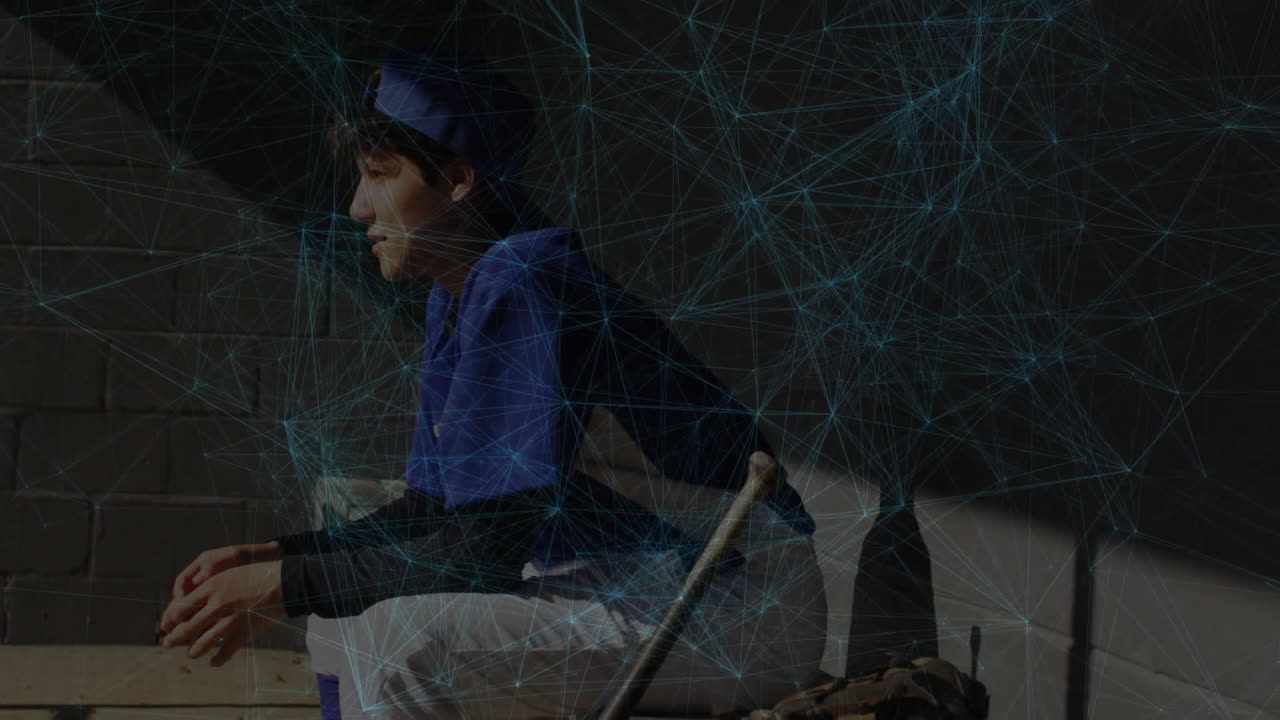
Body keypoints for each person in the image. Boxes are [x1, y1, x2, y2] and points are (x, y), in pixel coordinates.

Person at [160, 43, 827, 719]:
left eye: (379, 175)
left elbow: (481, 554)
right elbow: (432, 510)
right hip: (649, 578)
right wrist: (280, 557)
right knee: (341, 616)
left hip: (739, 603)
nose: (358, 207)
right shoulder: (461, 290)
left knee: (404, 650)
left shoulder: (526, 280)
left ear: (458, 179)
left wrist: (282, 581)